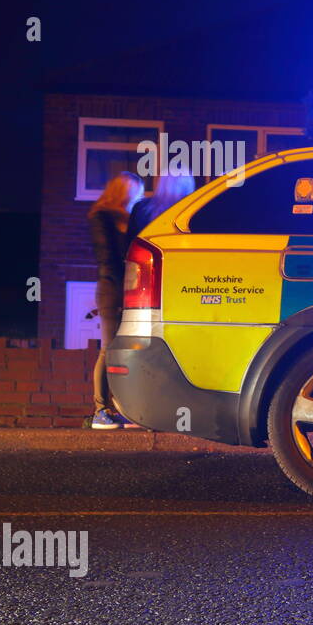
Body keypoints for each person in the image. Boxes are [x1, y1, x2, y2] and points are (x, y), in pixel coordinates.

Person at [87, 171, 144, 429]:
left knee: (123, 350)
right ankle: (100, 410)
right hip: (112, 288)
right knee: (108, 348)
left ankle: (119, 407)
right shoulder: (101, 216)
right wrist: (121, 292)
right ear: (122, 189)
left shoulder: (130, 218)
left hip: (127, 288)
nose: (139, 193)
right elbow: (108, 257)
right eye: (135, 188)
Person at [128, 167, 195, 241]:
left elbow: (130, 241)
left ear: (161, 182)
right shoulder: (193, 213)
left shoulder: (141, 207)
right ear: (188, 185)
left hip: (147, 251)